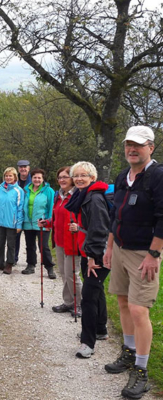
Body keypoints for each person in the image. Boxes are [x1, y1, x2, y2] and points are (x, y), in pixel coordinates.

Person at [103, 126, 163, 399]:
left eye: (138, 145)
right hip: (120, 249)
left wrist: (154, 254)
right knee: (123, 303)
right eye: (128, 144)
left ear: (151, 147)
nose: (132, 149)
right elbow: (117, 215)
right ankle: (128, 352)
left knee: (139, 310)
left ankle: (141, 370)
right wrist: (109, 246)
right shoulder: (122, 176)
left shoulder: (158, 176)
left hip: (143, 254)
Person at [64, 161, 109, 359]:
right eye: (76, 175)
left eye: (84, 175)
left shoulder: (94, 199)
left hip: (97, 254)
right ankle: (100, 329)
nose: (79, 178)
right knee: (97, 291)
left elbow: (99, 230)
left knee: (89, 297)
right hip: (89, 251)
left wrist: (92, 257)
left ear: (93, 178)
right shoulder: (85, 195)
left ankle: (87, 342)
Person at [40, 167, 83, 315]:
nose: (62, 180)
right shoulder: (58, 196)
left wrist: (79, 227)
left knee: (72, 274)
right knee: (65, 274)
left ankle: (80, 304)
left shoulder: (79, 196)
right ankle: (68, 302)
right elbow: (57, 217)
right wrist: (48, 222)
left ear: (72, 179)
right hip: (59, 241)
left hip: (73, 241)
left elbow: (86, 219)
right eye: (59, 177)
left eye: (65, 177)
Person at [21, 168, 56, 278]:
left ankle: (49, 268)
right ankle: (31, 265)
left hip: (42, 222)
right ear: (31, 178)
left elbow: (51, 207)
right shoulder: (26, 189)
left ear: (43, 179)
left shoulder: (49, 191)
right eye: (35, 177)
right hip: (28, 222)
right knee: (30, 245)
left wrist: (49, 222)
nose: (37, 179)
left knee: (43, 246)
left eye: (39, 178)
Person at [0, 167, 24, 274]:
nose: (8, 178)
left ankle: (9, 264)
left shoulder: (18, 191)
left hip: (11, 223)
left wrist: (19, 224)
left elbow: (20, 208)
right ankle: (0, 263)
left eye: (10, 176)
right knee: (0, 243)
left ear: (15, 177)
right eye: (6, 176)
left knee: (11, 244)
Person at [15, 160, 32, 263]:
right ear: (18, 169)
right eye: (21, 167)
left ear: (28, 168)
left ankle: (30, 262)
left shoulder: (33, 180)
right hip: (16, 215)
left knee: (30, 240)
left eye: (25, 166)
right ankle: (13, 259)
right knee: (14, 238)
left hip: (28, 215)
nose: (23, 169)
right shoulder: (14, 180)